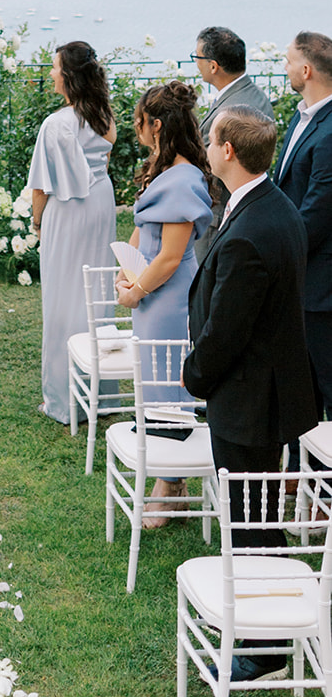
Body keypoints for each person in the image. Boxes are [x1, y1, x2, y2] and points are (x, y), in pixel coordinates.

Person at [184, 108, 317, 681]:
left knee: (250, 522)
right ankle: (267, 620)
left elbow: (225, 333)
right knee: (259, 517)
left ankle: (264, 647)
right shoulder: (276, 205)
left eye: (211, 141)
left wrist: (193, 377)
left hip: (247, 399)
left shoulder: (250, 235)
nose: (207, 148)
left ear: (229, 152)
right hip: (272, 389)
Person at [115, 81, 213, 521]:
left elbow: (171, 256)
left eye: (138, 120)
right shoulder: (162, 165)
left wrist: (138, 289)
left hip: (170, 297)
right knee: (152, 380)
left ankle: (170, 480)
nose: (134, 127)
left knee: (169, 382)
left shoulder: (185, 178)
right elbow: (144, 227)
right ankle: (162, 471)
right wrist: (127, 265)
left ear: (154, 124)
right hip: (152, 288)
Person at [25, 41, 117, 424]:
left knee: (63, 298)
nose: (50, 73)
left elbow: (41, 187)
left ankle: (62, 400)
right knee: (95, 294)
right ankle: (102, 394)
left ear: (68, 75)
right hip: (100, 204)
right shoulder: (105, 116)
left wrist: (36, 223)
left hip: (68, 209)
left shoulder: (56, 124)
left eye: (54, 67)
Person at [273, 31, 332, 420]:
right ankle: (298, 470)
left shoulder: (329, 133)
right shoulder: (301, 115)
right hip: (299, 277)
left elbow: (317, 212)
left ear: (306, 70)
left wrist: (273, 252)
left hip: (321, 284)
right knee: (299, 385)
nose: (285, 67)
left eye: (289, 61)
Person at [192, 27, 274, 263]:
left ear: (213, 66)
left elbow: (206, 162)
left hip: (222, 215)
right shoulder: (252, 94)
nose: (196, 64)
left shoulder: (233, 109)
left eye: (197, 58)